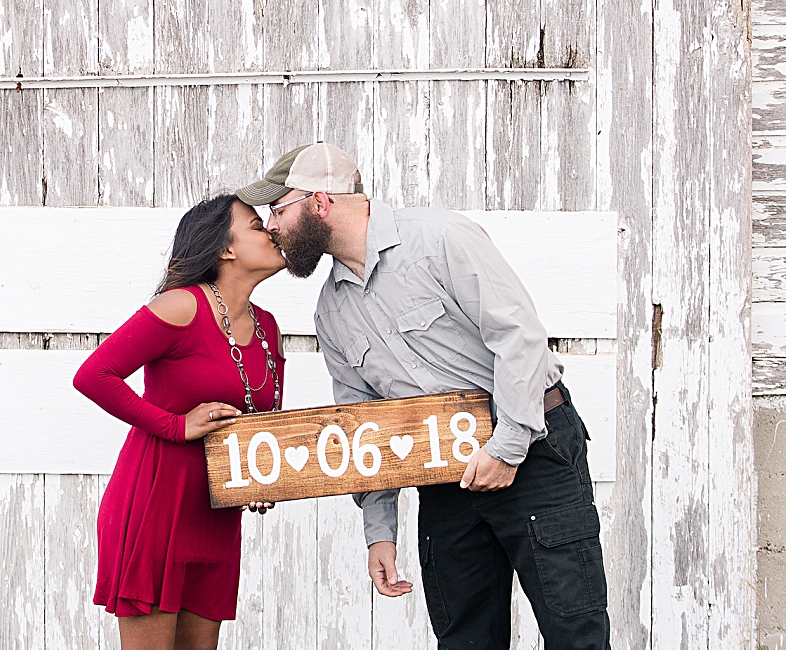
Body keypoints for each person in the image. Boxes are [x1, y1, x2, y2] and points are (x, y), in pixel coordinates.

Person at [235, 143, 610, 650]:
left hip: (534, 454)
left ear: (320, 202)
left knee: (576, 638)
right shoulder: (333, 310)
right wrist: (380, 532)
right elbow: (364, 426)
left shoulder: (440, 238)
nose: (273, 227)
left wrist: (507, 446)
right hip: (441, 478)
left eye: (278, 211)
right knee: (465, 643)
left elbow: (519, 337)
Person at [73, 194, 287, 650]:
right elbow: (93, 375)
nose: (270, 230)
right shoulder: (181, 306)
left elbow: (263, 424)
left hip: (216, 517)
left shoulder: (268, 327)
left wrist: (261, 480)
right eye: (254, 225)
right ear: (225, 249)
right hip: (156, 505)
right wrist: (174, 425)